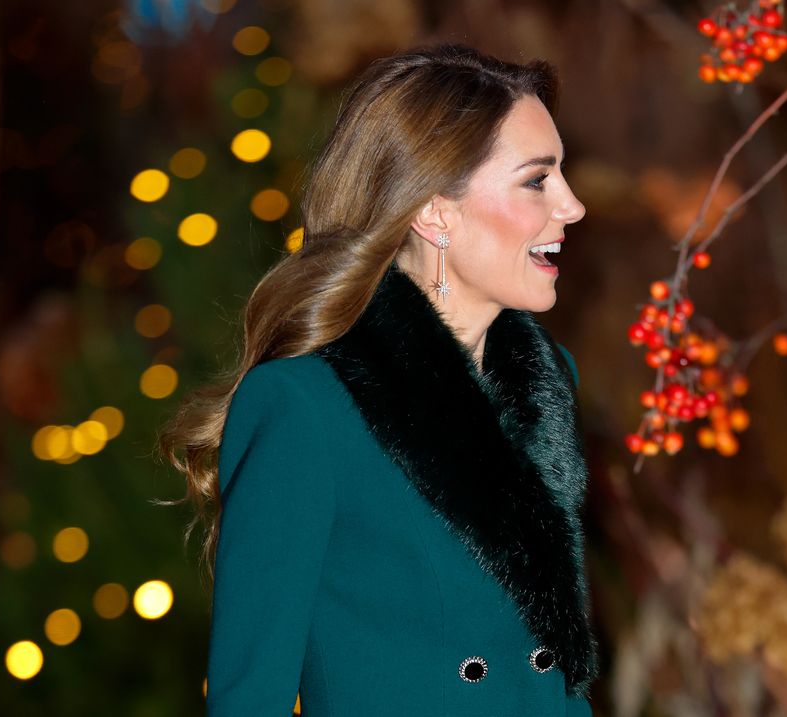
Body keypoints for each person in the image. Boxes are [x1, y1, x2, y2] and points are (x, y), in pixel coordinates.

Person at [159, 43, 598, 716]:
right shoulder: (305, 408)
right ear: (435, 212)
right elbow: (251, 697)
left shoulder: (543, 387)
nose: (572, 206)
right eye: (537, 180)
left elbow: (555, 674)